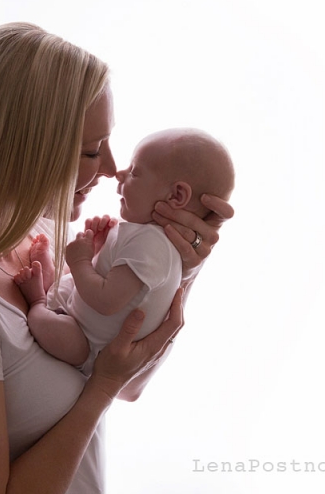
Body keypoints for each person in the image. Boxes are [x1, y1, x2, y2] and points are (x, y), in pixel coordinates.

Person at [0, 22, 234, 494]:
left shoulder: (42, 243)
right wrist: (97, 392)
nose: (114, 169)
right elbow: (109, 382)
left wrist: (180, 266)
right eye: (93, 150)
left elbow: (129, 379)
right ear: (21, 150)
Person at [13, 128, 235, 374]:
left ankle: (38, 302)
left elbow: (106, 301)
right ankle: (49, 278)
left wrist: (79, 261)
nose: (118, 173)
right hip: (77, 312)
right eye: (93, 150)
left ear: (176, 195)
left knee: (67, 339)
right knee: (66, 285)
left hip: (88, 346)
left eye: (134, 172)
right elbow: (107, 276)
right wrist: (97, 249)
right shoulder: (144, 236)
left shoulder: (153, 244)